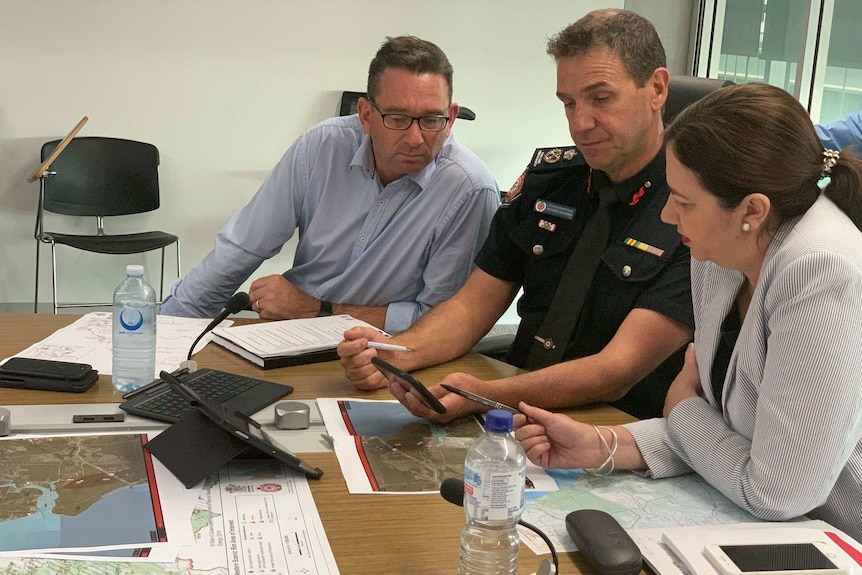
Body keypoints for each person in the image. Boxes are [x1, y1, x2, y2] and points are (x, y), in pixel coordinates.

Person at [515, 83, 862, 541]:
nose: (666, 218)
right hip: (768, 521)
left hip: (836, 533)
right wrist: (605, 445)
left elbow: (776, 491)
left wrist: (681, 407)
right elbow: (730, 437)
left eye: (683, 202)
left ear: (751, 210)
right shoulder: (721, 249)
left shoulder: (821, 269)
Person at [339, 9, 694, 420]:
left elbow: (618, 370)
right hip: (518, 413)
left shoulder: (692, 205)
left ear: (657, 88)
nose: (580, 124)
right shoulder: (551, 182)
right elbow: (472, 308)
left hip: (615, 428)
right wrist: (396, 356)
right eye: (568, 103)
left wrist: (489, 395)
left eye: (600, 98)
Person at [160, 36, 499, 334]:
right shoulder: (322, 146)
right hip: (287, 332)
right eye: (396, 118)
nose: (415, 138)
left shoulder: (469, 190)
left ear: (451, 117)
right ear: (365, 115)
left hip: (387, 351)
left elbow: (442, 322)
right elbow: (242, 248)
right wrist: (168, 327)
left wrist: (316, 311)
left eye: (431, 120)